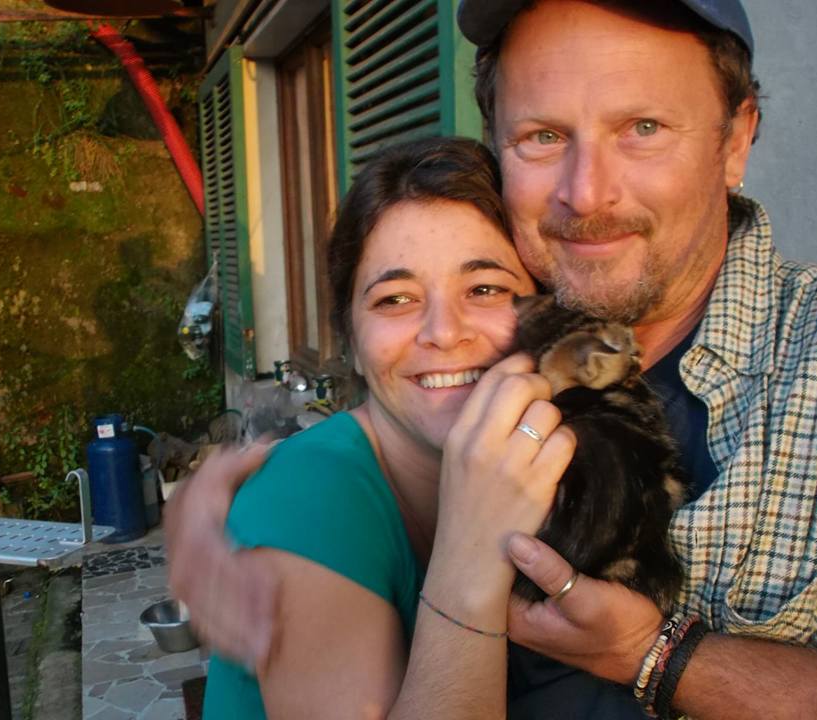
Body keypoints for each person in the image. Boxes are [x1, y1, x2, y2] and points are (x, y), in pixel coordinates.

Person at [171, 1, 817, 718]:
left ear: (735, 139)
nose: (586, 194)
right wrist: (270, 502)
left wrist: (657, 657)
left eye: (642, 127)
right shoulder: (534, 320)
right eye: (542, 136)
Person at [197, 136, 576, 719]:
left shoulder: (568, 464)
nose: (444, 333)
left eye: (485, 289)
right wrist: (471, 555)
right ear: (350, 341)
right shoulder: (305, 500)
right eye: (396, 299)